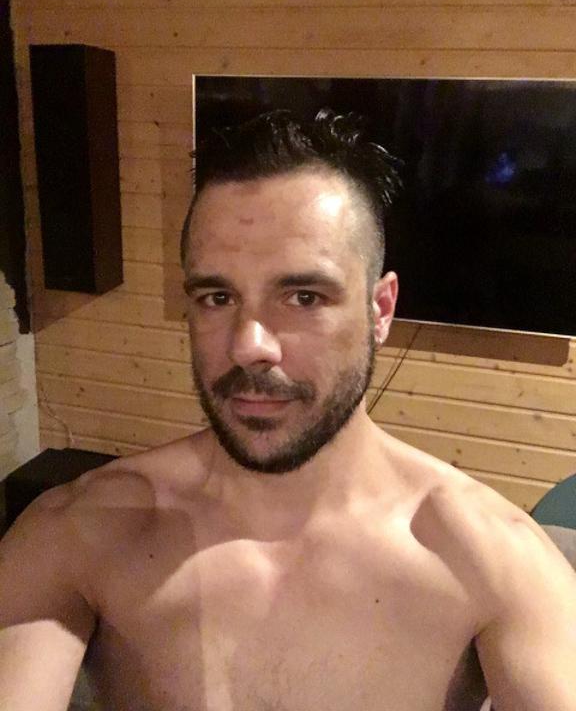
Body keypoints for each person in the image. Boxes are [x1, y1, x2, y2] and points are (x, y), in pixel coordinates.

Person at [1, 109, 575, 711]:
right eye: (218, 296)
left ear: (380, 310)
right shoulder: (80, 532)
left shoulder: (495, 560)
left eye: (303, 296)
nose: (249, 345)